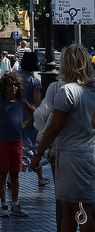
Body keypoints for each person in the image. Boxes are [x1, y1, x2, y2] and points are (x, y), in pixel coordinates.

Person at [31, 44, 95, 232]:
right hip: (88, 152)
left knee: (81, 210)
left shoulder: (66, 92)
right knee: (69, 209)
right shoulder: (92, 90)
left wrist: (38, 153)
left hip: (72, 157)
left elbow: (54, 127)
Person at [0, 71, 34, 218]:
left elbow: (33, 113)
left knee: (15, 174)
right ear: (4, 86)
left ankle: (15, 204)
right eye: (10, 85)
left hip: (17, 143)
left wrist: (25, 123)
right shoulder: (0, 101)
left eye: (16, 85)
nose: (13, 87)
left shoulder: (21, 101)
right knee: (2, 173)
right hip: (3, 142)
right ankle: (3, 205)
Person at [19, 50, 49, 188]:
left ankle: (10, 176)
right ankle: (40, 178)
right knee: (35, 147)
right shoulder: (34, 81)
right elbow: (37, 102)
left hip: (17, 114)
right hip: (31, 117)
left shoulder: (15, 77)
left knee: (17, 145)